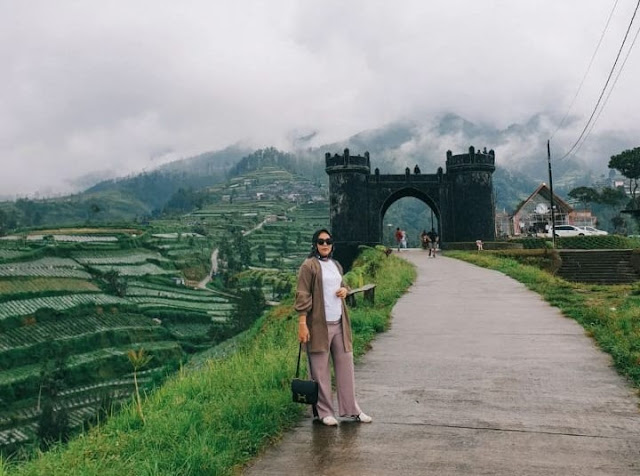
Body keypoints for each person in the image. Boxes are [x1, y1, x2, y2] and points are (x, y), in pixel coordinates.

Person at [295, 229, 372, 426]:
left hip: (339, 323)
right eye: (321, 241)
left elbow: (342, 283)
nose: (325, 244)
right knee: (320, 370)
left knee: (346, 365)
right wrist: (302, 324)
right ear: (315, 244)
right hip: (318, 325)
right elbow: (303, 295)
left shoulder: (335, 265)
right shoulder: (309, 266)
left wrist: (345, 290)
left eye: (328, 241)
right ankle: (324, 412)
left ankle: (351, 409)